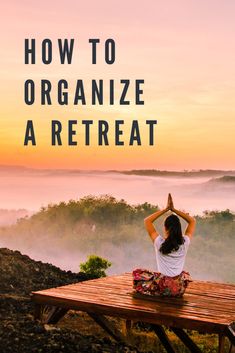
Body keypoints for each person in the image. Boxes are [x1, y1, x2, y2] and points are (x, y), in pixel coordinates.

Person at [132, 194, 196, 297]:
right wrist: (174, 210)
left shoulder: (159, 243)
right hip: (178, 289)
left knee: (137, 273)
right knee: (183, 274)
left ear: (165, 228)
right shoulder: (185, 243)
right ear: (179, 229)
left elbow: (147, 221)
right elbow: (192, 221)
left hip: (162, 287)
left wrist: (166, 209)